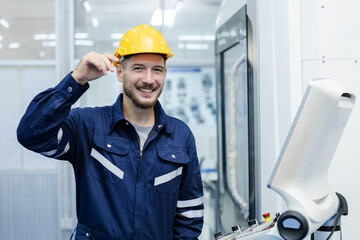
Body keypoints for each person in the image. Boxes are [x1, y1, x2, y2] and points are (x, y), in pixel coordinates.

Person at [17, 24, 204, 240]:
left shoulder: (181, 136)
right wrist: (76, 79)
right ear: (119, 73)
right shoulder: (87, 125)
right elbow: (31, 134)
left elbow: (189, 216)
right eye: (138, 68)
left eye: (157, 70)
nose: (149, 79)